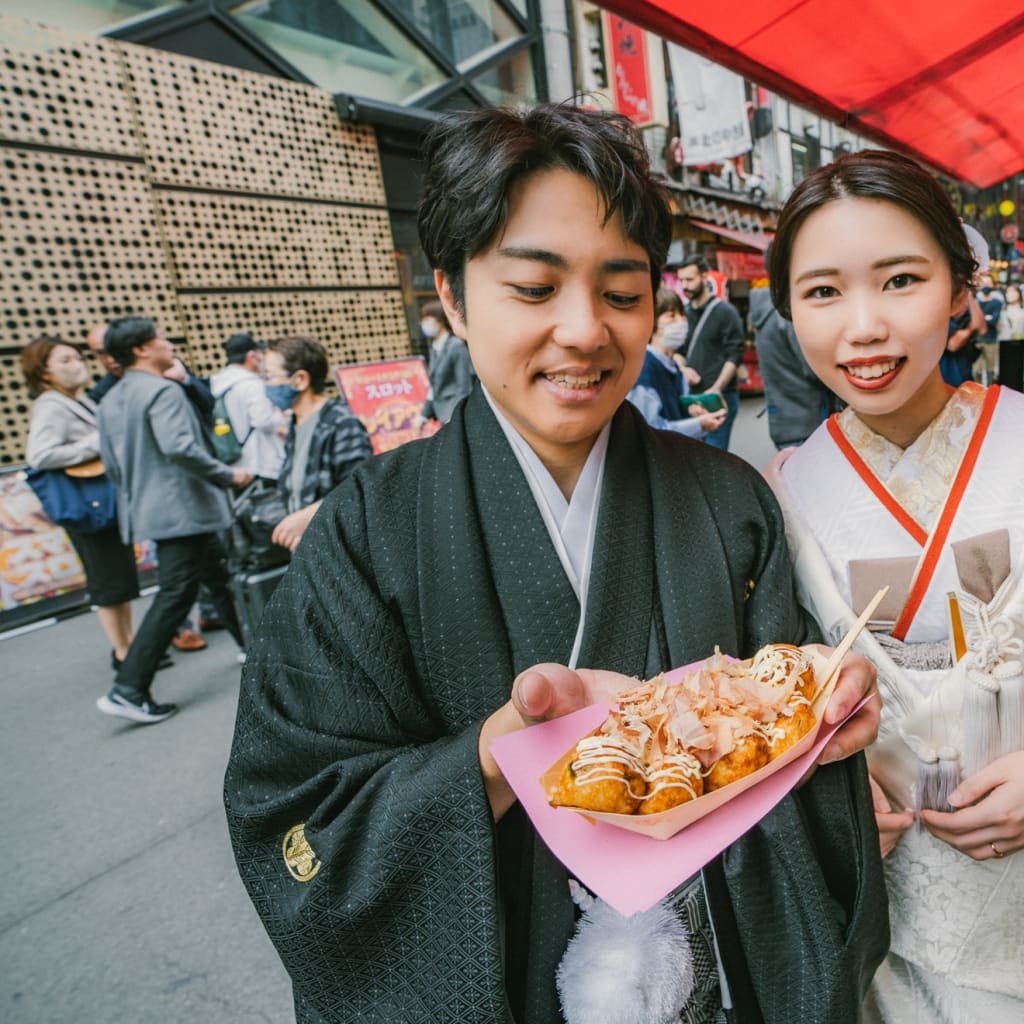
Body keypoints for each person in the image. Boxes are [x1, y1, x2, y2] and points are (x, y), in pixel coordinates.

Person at [224, 104, 888, 1024]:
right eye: (534, 291)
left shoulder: (729, 501)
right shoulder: (368, 532)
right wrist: (499, 760)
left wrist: (819, 721)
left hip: (719, 986)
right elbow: (295, 815)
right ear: (452, 296)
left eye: (621, 294)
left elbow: (788, 752)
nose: (584, 332)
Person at [764, 149, 1024, 1022]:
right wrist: (819, 790)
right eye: (824, 292)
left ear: (959, 289)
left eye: (901, 280)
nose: (863, 328)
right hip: (891, 906)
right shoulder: (782, 492)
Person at [96, 317, 251, 725]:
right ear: (143, 349)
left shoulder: (111, 398)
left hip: (153, 509)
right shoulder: (163, 392)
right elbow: (180, 447)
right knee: (177, 593)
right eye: (162, 338)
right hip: (184, 509)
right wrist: (228, 474)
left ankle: (254, 646)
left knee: (216, 577)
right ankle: (129, 687)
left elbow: (112, 466)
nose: (169, 344)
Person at [21, 337, 139, 667]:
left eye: (76, 357)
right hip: (86, 504)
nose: (77, 364)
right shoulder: (51, 405)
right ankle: (123, 652)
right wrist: (94, 443)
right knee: (107, 581)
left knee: (119, 579)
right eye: (66, 359)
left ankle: (129, 646)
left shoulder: (75, 401)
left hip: (100, 502)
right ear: (44, 371)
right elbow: (40, 454)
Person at [264, 336, 372, 552]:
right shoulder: (295, 423)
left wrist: (309, 516)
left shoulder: (341, 422)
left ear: (300, 380)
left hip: (341, 551)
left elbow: (360, 491)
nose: (267, 383)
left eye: (271, 376)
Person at [626, 286, 725, 438]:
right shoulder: (643, 369)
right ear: (651, 322)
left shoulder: (674, 367)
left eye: (682, 315)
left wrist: (692, 412)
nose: (680, 322)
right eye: (671, 316)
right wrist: (699, 424)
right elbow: (651, 430)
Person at [675, 255, 746, 451]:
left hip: (719, 396)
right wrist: (682, 369)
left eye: (690, 279)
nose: (684, 285)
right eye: (681, 280)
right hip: (691, 398)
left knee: (715, 454)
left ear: (704, 277)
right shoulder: (683, 314)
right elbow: (678, 351)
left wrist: (716, 387)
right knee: (693, 456)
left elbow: (735, 354)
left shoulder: (726, 312)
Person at [748, 284, 831, 449]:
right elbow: (814, 371)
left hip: (782, 420)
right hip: (807, 422)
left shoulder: (762, 314)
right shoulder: (785, 315)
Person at [210, 331, 286, 483]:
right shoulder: (252, 385)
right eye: (259, 353)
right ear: (251, 356)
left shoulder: (217, 383)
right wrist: (281, 417)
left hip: (235, 461)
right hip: (260, 462)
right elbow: (262, 420)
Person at [419, 300, 474, 424]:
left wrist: (455, 416)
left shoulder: (456, 346)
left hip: (454, 414)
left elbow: (463, 387)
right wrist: (423, 415)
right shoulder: (434, 347)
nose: (423, 324)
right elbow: (434, 387)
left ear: (439, 320)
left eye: (427, 319)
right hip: (442, 415)